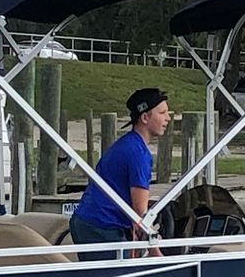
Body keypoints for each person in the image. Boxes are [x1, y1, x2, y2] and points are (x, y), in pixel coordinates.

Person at [69, 87, 172, 256]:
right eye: (162, 113)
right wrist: (155, 251)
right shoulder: (138, 154)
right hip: (102, 228)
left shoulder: (125, 144)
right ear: (145, 117)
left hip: (85, 221)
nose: (167, 118)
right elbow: (140, 212)